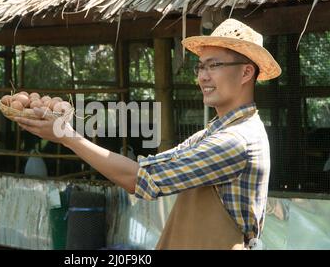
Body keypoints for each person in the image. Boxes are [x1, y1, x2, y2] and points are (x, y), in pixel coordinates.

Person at [14, 18, 281, 250]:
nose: (203, 77)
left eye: (213, 65)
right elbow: (149, 168)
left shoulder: (237, 141)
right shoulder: (211, 134)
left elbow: (142, 180)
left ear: (246, 72)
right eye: (200, 67)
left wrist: (66, 136)